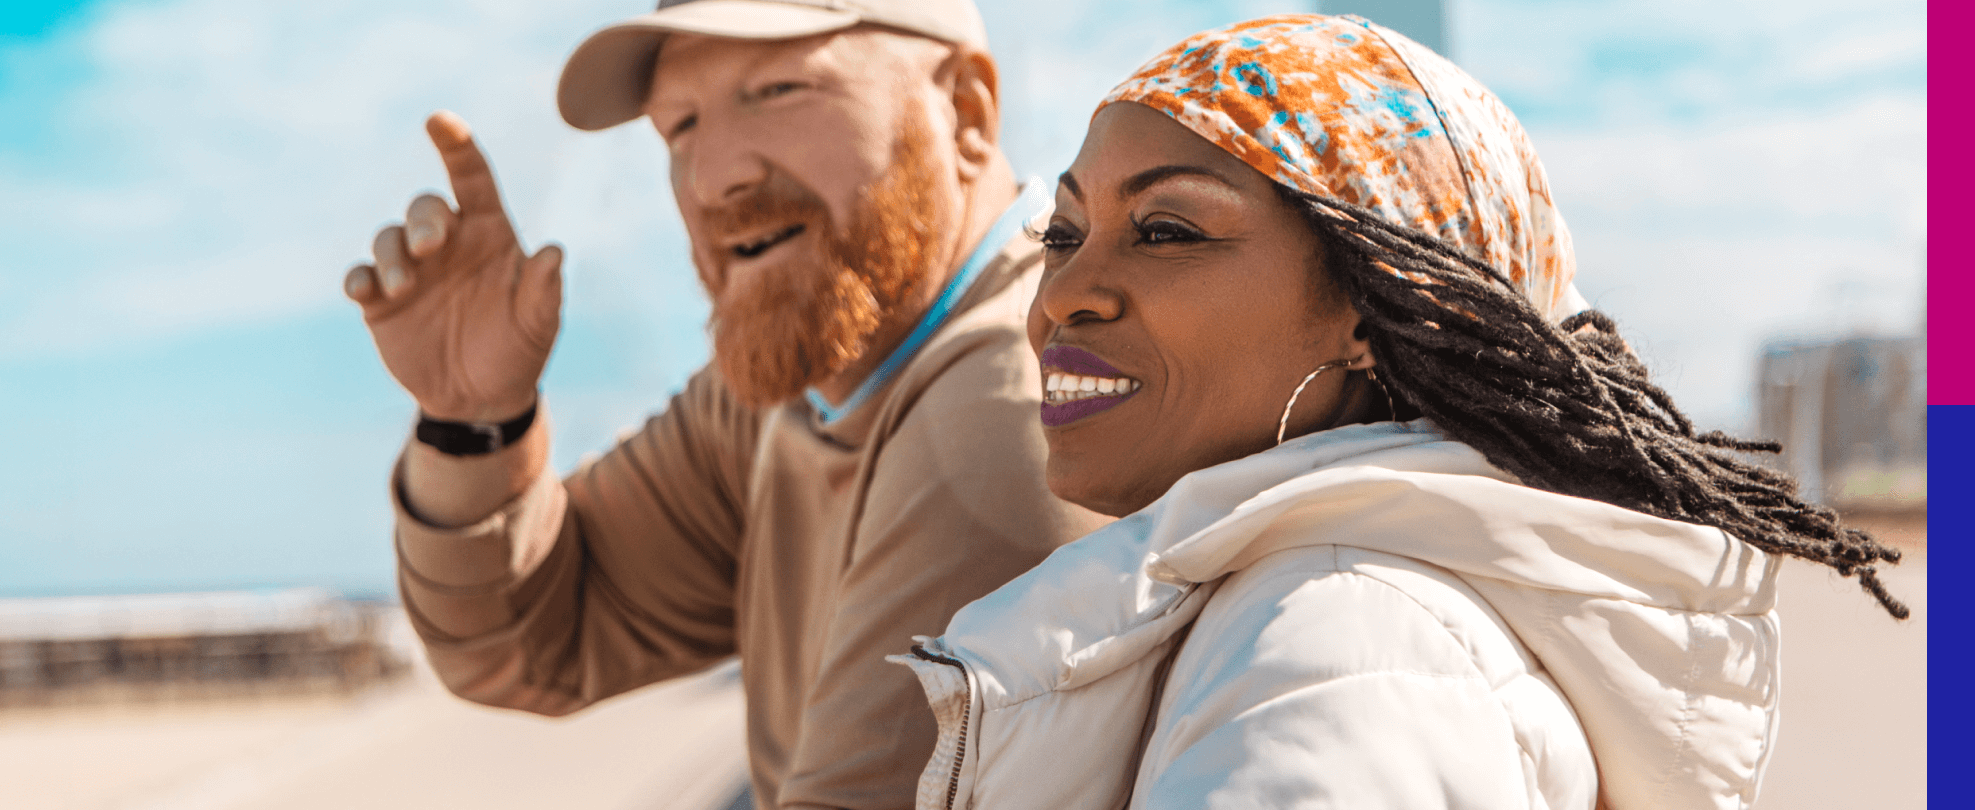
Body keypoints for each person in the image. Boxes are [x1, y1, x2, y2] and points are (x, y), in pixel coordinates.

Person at [893, 14, 1910, 810]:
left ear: (1376, 311)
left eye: (1164, 229)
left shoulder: (1341, 646)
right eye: (1063, 231)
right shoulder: (1331, 612)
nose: (1065, 290)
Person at [337, 1, 1103, 806]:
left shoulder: (1006, 421)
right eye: (678, 126)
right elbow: (533, 640)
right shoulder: (807, 382)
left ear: (966, 111)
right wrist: (473, 421)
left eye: (776, 89)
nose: (712, 177)